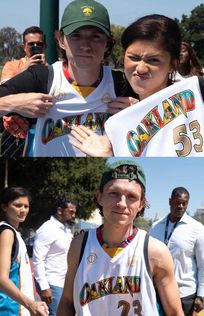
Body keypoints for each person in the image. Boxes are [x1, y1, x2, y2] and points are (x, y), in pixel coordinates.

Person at [70, 15, 204, 157]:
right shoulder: (119, 118)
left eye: (153, 60)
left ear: (173, 64)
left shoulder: (202, 97)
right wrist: (108, 156)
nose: (141, 68)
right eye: (133, 58)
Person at [0, 0, 134, 157]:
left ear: (107, 43)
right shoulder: (42, 77)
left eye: (96, 36)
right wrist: (14, 103)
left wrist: (139, 111)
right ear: (61, 41)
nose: (85, 45)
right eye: (76, 36)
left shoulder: (120, 83)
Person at [57, 160, 184, 316]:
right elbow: (67, 302)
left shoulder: (156, 252)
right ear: (99, 197)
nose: (121, 203)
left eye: (131, 196)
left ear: (141, 204)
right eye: (113, 193)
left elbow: (175, 312)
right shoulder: (79, 245)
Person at [149, 187, 204, 316]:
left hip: (185, 294)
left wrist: (201, 295)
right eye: (177, 202)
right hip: (158, 293)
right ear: (170, 201)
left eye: (184, 203)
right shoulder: (156, 227)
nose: (181, 206)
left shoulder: (196, 228)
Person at [0, 186, 48, 316]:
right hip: (9, 310)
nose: (23, 210)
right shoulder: (7, 233)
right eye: (18, 205)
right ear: (4, 207)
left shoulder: (14, 233)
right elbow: (2, 278)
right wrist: (31, 304)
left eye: (26, 206)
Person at [0, 26, 47, 157]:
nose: (35, 47)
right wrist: (25, 71)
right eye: (31, 44)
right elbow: (4, 89)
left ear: (45, 47)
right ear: (24, 46)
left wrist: (45, 69)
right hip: (14, 131)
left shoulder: (52, 70)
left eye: (39, 44)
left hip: (42, 131)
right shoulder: (12, 65)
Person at [32, 198, 76, 316]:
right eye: (71, 212)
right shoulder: (47, 229)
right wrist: (44, 287)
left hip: (64, 282)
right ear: (59, 211)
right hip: (52, 282)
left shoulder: (65, 230)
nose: (74, 215)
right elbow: (37, 259)